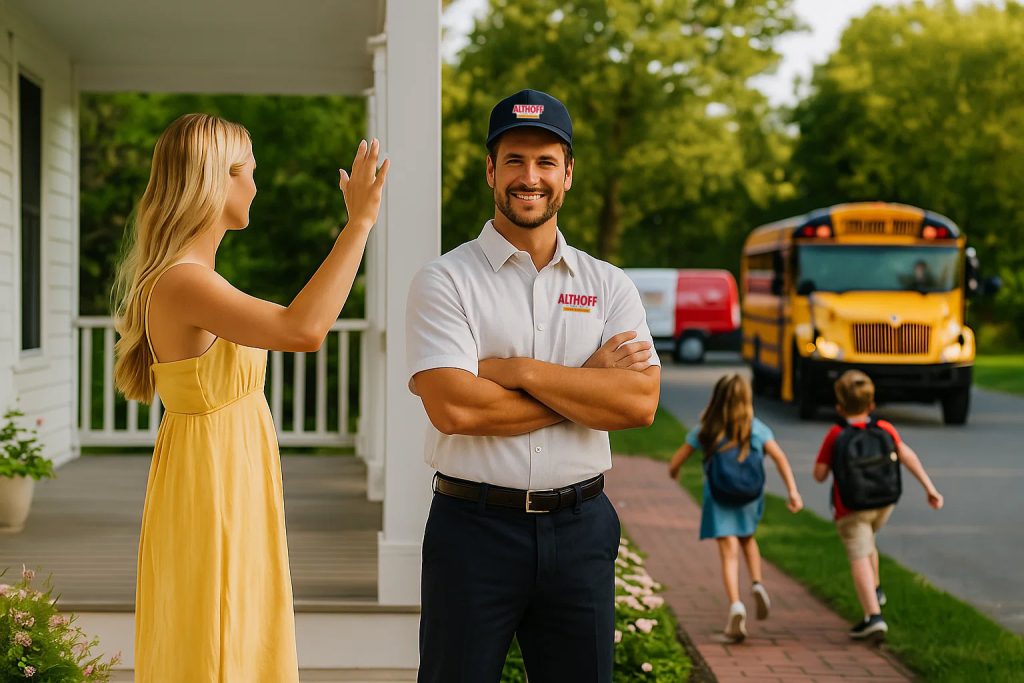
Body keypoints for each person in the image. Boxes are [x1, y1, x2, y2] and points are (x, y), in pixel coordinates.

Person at [111, 113, 388, 681]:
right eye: (250, 173)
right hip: (213, 482)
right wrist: (358, 223)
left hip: (226, 471)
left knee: (233, 627)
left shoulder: (193, 275)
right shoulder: (185, 280)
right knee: (217, 635)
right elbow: (301, 329)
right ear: (219, 177)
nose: (256, 187)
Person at [406, 89, 661, 682]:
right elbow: (455, 409)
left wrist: (516, 372)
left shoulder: (609, 285)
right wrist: (585, 388)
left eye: (546, 162)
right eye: (515, 160)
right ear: (491, 170)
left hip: (581, 529)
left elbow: (640, 401)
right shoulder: (445, 280)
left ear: (568, 174)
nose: (531, 177)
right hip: (473, 532)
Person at [668, 374, 803, 642]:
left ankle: (736, 605)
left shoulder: (707, 428)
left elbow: (678, 459)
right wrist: (792, 491)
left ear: (717, 399)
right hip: (749, 497)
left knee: (728, 552)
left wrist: (674, 472)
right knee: (748, 539)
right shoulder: (755, 428)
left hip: (719, 497)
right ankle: (756, 583)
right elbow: (779, 457)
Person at [813, 370, 944, 640]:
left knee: (858, 554)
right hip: (884, 503)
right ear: (872, 405)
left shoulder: (836, 434)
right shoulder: (885, 429)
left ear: (839, 407)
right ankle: (876, 588)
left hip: (851, 508)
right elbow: (908, 456)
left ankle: (873, 616)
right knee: (869, 540)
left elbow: (819, 474)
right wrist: (929, 488)